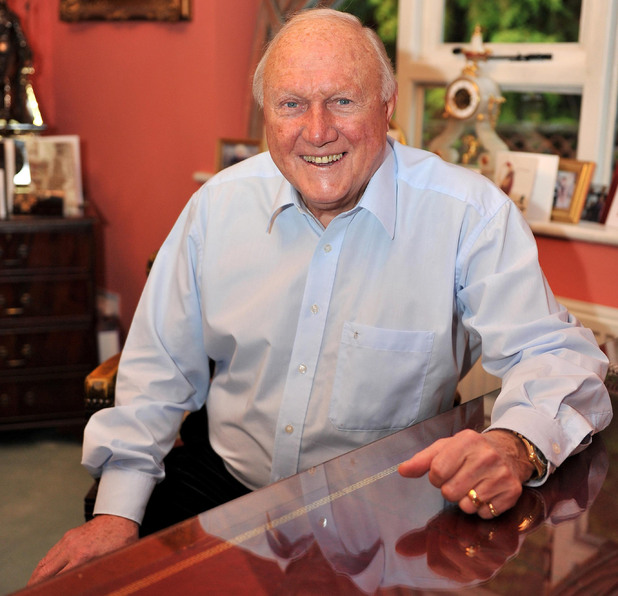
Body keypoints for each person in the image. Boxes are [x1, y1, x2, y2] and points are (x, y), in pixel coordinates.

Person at [29, 8, 611, 585]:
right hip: (224, 483)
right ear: (267, 116)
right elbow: (157, 367)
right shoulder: (218, 206)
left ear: (386, 108)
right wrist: (116, 510)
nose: (316, 130)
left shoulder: (469, 215)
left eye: (342, 100)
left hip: (390, 503)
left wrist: (514, 445)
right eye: (291, 104)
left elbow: (557, 354)